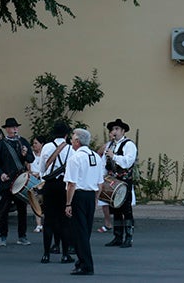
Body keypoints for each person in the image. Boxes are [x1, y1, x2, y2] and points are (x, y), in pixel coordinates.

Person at [64, 128, 104, 276]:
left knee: (79, 231)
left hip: (78, 196)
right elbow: (100, 183)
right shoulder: (96, 156)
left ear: (77, 141)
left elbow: (71, 184)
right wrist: (95, 199)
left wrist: (68, 203)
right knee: (85, 231)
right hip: (90, 195)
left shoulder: (75, 158)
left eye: (73, 138)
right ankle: (81, 261)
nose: (71, 140)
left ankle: (86, 264)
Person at [0, 117, 34, 247]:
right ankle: (3, 236)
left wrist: (26, 154)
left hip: (21, 181)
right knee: (3, 210)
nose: (15, 129)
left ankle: (22, 236)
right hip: (7, 181)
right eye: (12, 127)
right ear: (7, 129)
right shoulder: (1, 144)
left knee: (22, 210)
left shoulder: (23, 142)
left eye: (16, 127)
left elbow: (31, 159)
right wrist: (1, 174)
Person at [39, 122, 73, 264]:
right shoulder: (71, 149)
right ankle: (65, 255)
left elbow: (42, 169)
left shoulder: (46, 147)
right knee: (64, 221)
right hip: (64, 186)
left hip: (50, 186)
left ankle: (46, 254)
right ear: (66, 134)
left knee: (48, 221)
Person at [101, 118, 137, 248]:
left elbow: (128, 161)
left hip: (124, 181)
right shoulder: (110, 145)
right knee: (115, 208)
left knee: (126, 209)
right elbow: (105, 163)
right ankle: (117, 236)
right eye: (113, 129)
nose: (114, 132)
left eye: (117, 129)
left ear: (123, 131)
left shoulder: (129, 145)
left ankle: (128, 237)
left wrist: (114, 156)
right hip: (112, 181)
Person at [30, 135, 45, 234]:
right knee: (35, 202)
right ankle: (38, 224)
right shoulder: (31, 156)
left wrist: (40, 174)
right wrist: (32, 174)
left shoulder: (45, 155)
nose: (34, 145)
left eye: (36, 143)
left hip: (43, 181)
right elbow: (27, 169)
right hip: (34, 181)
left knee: (45, 202)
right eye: (33, 143)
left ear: (41, 144)